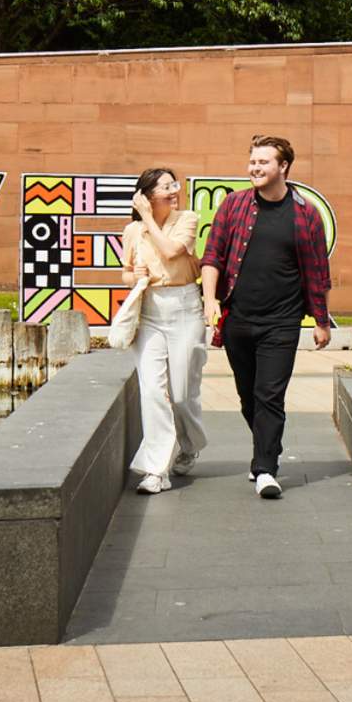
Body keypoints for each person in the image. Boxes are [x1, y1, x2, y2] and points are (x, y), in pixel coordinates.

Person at [201, 135, 331, 499]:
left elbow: (317, 272)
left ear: (283, 167)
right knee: (248, 397)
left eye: (264, 163)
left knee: (270, 394)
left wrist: (321, 321)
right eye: (253, 162)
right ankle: (266, 450)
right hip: (238, 318)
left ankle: (265, 469)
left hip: (282, 321)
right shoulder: (234, 205)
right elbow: (213, 257)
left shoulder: (306, 213)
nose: (255, 169)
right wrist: (210, 301)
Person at [122, 168, 207, 494]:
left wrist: (148, 218)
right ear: (147, 193)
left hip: (185, 307)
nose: (174, 191)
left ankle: (190, 445)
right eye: (166, 187)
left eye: (175, 185)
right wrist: (134, 275)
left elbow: (172, 251)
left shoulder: (187, 219)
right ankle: (156, 469)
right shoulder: (132, 231)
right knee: (153, 393)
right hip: (150, 312)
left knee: (183, 394)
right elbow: (126, 274)